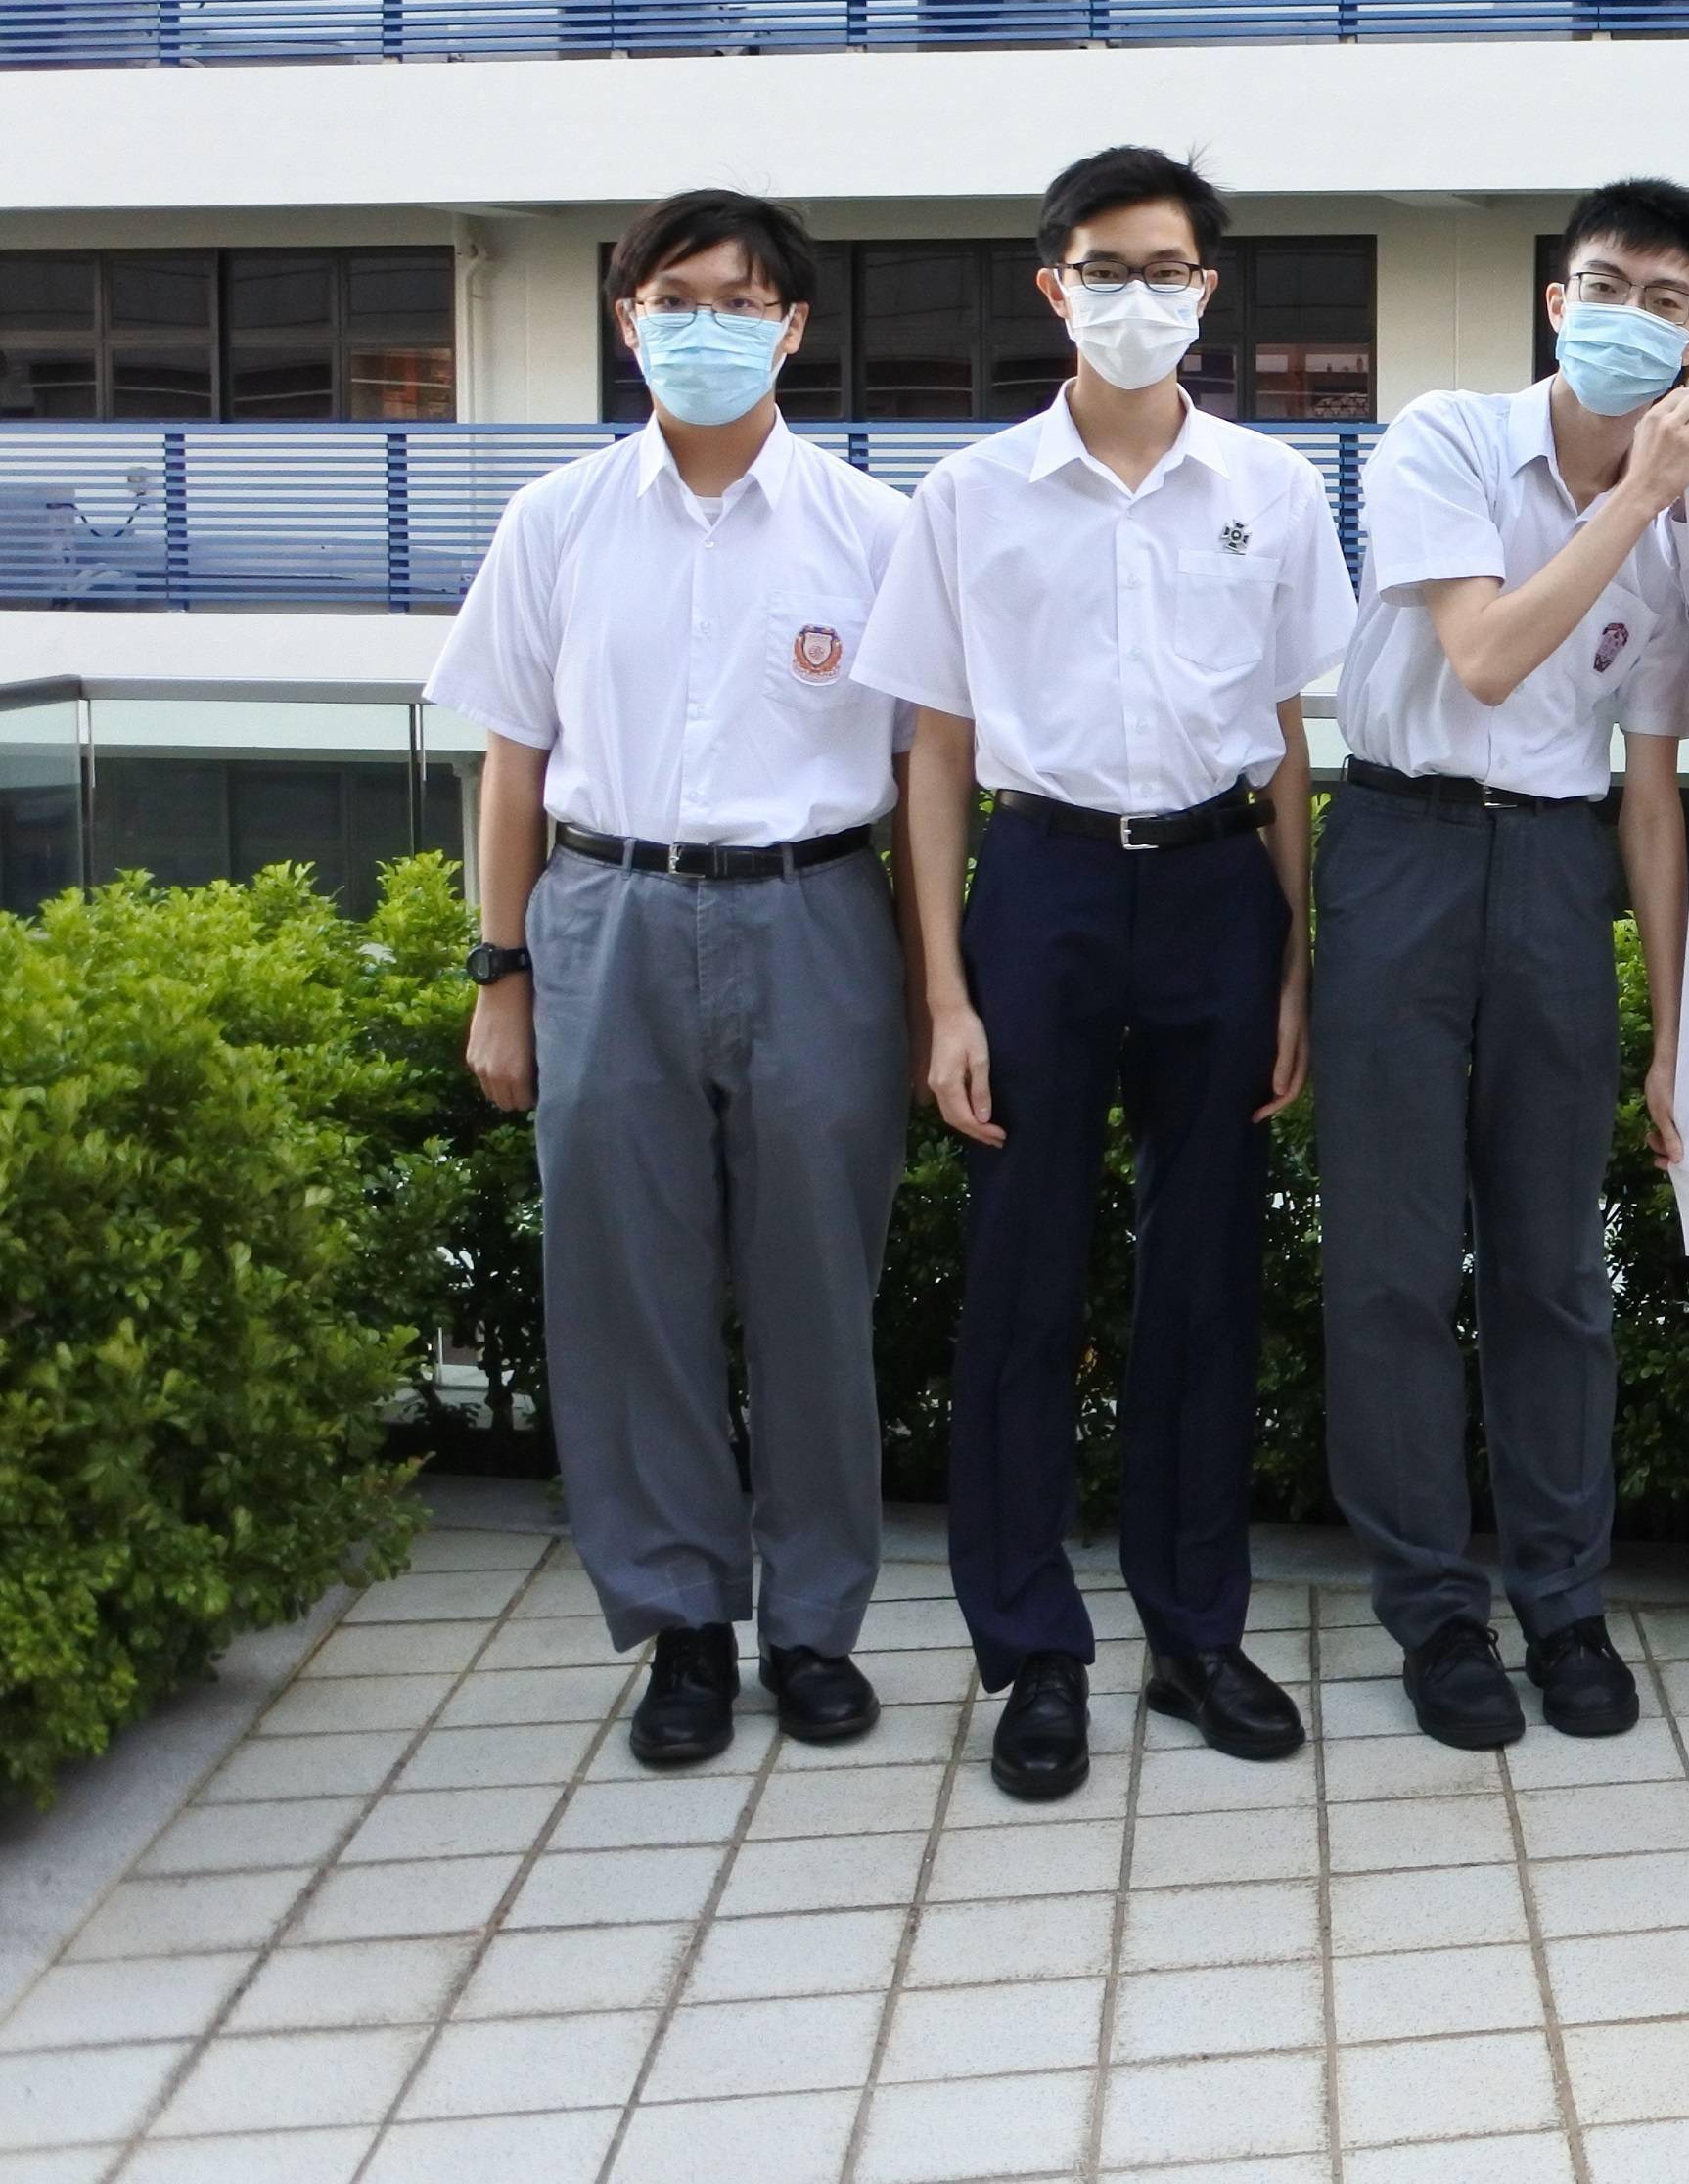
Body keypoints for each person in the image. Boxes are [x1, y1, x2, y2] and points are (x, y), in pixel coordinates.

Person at [857, 147, 1355, 1804]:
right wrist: (945, 993)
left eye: (1169, 268)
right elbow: (932, 752)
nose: (1139, 296)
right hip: (1047, 881)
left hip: (1219, 887)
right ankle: (1034, 1645)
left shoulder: (1271, 491)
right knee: (1023, 1279)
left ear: (1208, 290)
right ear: (1053, 285)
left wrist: (1291, 965)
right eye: (1106, 268)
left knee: (1207, 1279)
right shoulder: (968, 497)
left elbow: (1289, 743)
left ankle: (1194, 1628)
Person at [431, 190, 914, 1770]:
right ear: (627, 316)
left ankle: (815, 1625)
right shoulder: (554, 520)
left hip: (818, 918)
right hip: (607, 914)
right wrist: (501, 971)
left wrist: (933, 989)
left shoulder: (871, 529)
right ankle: (684, 1627)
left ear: (794, 327)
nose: (707, 324)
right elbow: (512, 765)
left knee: (815, 1291)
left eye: (743, 299)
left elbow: (928, 783)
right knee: (625, 1290)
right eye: (675, 296)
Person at [1319, 178, 1689, 1754]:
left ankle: (1564, 1597)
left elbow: (1650, 794)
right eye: (1605, 284)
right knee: (1397, 1270)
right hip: (1407, 850)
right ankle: (1434, 1610)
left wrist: (1674, 1032)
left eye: (1664, 297)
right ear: (1558, 299)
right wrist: (1636, 499)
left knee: (1556, 1270)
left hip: (1559, 872)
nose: (1630, 316)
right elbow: (1484, 653)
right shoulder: (1443, 439)